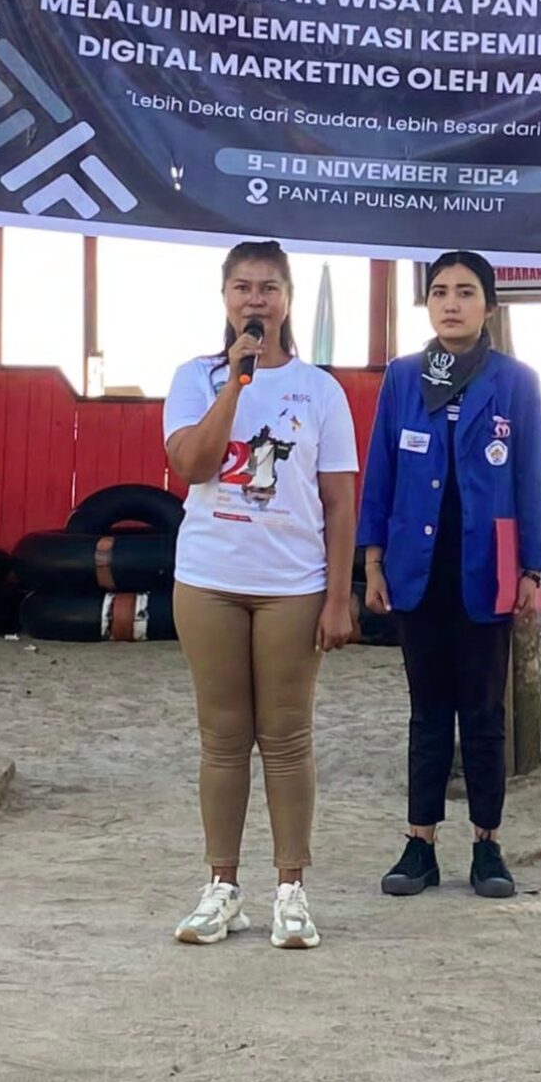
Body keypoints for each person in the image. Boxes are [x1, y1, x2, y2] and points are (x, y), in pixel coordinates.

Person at [161, 241, 359, 950]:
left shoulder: (321, 390)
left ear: (286, 299)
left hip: (292, 587)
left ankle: (291, 890)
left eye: (269, 287)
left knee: (286, 736)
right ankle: (221, 887)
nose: (255, 299)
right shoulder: (196, 378)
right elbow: (193, 464)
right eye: (243, 286)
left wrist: (338, 597)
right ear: (225, 298)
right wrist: (235, 385)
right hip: (209, 580)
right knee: (222, 738)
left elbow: (340, 500)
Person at [359, 250, 541, 902]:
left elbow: (531, 476)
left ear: (489, 307)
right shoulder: (402, 377)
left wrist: (532, 567)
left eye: (466, 292)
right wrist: (373, 559)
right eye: (439, 291)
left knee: (484, 713)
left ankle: (487, 846)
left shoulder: (516, 382)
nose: (450, 303)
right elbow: (381, 470)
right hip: (416, 568)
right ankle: (420, 845)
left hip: (487, 568)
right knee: (427, 712)